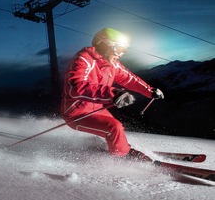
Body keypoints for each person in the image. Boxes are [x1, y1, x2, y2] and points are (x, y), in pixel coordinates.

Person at [61, 28, 164, 160]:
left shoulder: (112, 64)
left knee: (118, 127)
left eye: (124, 51)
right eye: (119, 49)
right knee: (114, 128)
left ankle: (120, 147)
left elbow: (129, 78)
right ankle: (121, 158)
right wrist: (112, 93)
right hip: (77, 113)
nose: (121, 54)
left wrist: (150, 91)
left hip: (97, 108)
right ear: (104, 45)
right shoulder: (84, 59)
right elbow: (75, 86)